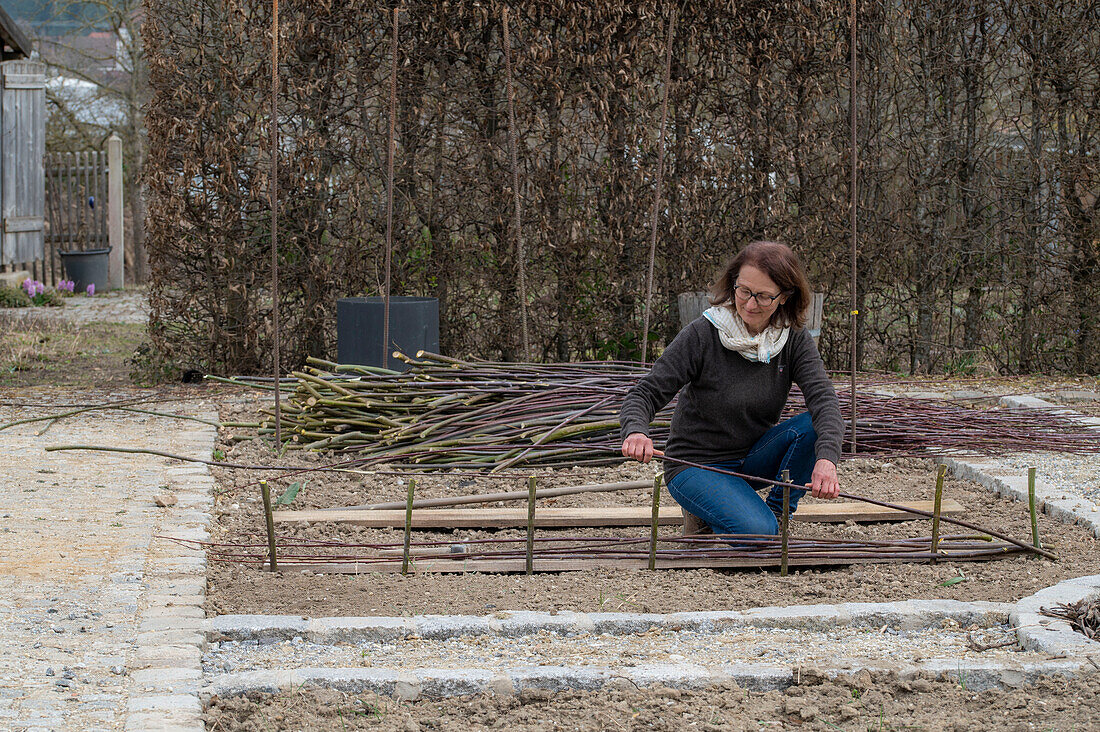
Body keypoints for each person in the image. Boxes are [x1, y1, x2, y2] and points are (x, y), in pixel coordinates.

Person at [619, 241, 844, 537]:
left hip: (751, 458)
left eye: (763, 297)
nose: (750, 304)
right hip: (695, 465)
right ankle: (712, 512)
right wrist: (636, 430)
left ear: (785, 297)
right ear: (733, 285)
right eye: (744, 291)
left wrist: (827, 459)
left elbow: (825, 401)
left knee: (812, 426)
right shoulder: (704, 334)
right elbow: (644, 393)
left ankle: (777, 513)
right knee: (757, 532)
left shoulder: (792, 339)